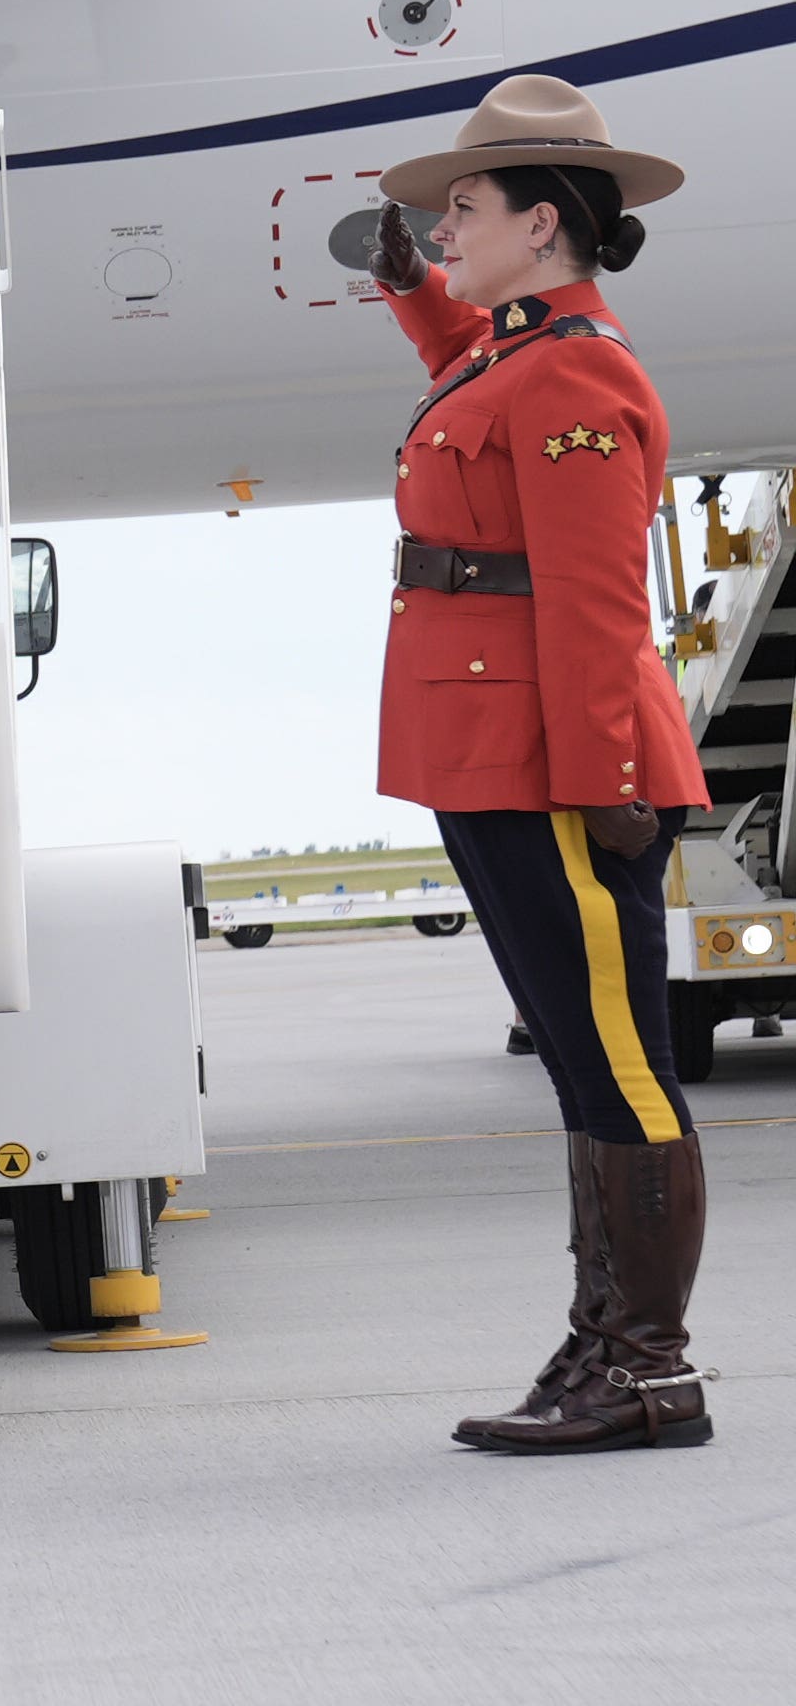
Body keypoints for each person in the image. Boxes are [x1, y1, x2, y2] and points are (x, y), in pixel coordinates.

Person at [368, 75, 714, 1453]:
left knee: (620, 1071)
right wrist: (416, 293)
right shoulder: (517, 351)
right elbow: (475, 387)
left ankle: (647, 1369)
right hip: (492, 755)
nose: (445, 225)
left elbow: (590, 601)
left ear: (547, 221)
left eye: (464, 207)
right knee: (583, 1070)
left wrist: (605, 780)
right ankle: (602, 1350)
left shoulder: (576, 371)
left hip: (556, 767)